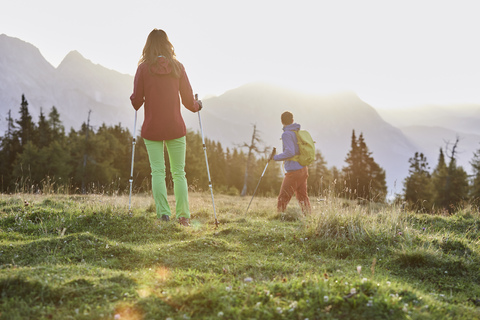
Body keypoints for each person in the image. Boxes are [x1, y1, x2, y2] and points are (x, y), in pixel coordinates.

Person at [130, 29, 202, 226]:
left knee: (158, 171)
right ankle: (183, 216)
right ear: (167, 44)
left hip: (152, 129)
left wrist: (134, 98)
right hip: (175, 128)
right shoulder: (178, 67)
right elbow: (189, 101)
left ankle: (163, 214)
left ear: (148, 46)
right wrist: (198, 105)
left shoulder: (143, 69)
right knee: (179, 172)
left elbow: (137, 102)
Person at [271, 111, 311, 214]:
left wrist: (275, 157)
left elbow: (290, 152)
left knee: (283, 197)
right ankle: (309, 218)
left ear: (282, 122)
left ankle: (279, 218)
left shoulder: (286, 134)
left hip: (294, 171)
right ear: (292, 120)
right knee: (302, 197)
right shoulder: (297, 132)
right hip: (303, 169)